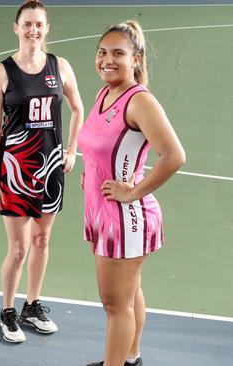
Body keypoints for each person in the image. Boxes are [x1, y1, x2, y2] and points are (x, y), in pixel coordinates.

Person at [78, 21, 185, 366]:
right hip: (104, 210)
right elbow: (103, 149)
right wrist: (92, 175)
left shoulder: (139, 101)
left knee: (115, 304)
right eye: (103, 52)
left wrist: (132, 192)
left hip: (124, 217)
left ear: (136, 59)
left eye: (118, 54)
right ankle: (131, 358)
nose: (107, 60)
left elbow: (174, 156)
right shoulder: (103, 93)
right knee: (130, 293)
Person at [0, 0, 84, 342]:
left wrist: (71, 150)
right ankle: (7, 311)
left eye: (39, 24)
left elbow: (77, 108)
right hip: (14, 171)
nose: (33, 30)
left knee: (42, 240)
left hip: (51, 168)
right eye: (27, 24)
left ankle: (32, 305)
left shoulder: (61, 66)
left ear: (47, 28)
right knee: (18, 249)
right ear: (16, 28)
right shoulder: (1, 73)